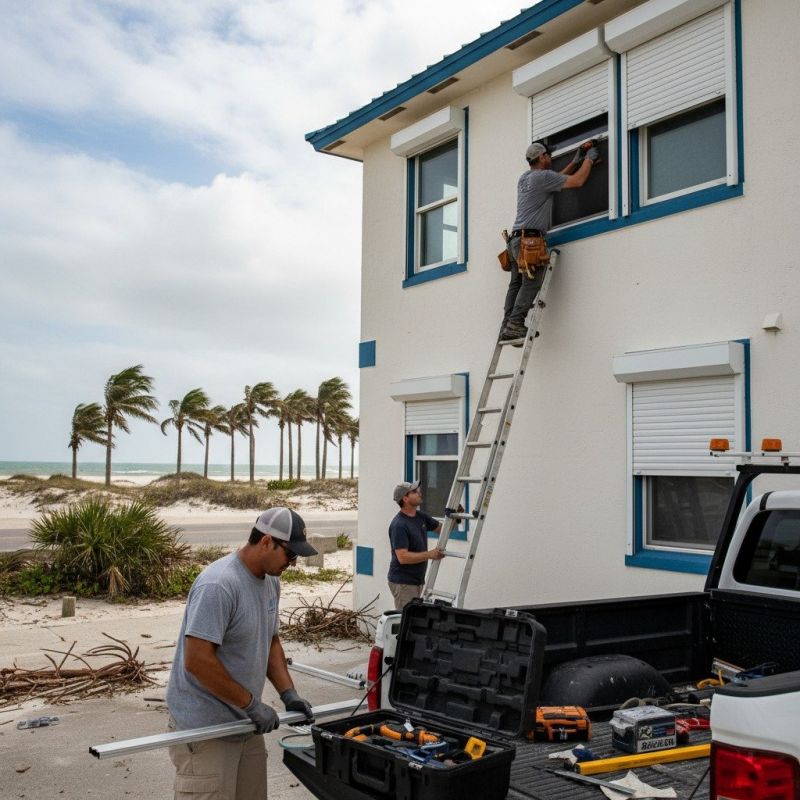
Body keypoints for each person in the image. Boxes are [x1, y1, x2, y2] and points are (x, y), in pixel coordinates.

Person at [165, 507, 318, 800]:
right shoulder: (219, 584)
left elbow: (270, 640)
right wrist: (251, 704)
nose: (294, 563)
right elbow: (197, 660)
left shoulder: (271, 580)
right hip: (206, 729)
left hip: (244, 724)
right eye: (290, 555)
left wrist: (289, 694)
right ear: (266, 542)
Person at [500, 139, 599, 343]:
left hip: (515, 241)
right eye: (549, 155)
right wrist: (589, 160)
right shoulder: (543, 177)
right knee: (533, 281)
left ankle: (507, 325)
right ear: (542, 157)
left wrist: (575, 160)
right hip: (529, 242)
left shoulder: (526, 178)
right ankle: (515, 323)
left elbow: (556, 180)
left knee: (516, 284)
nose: (551, 158)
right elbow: (577, 181)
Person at [387, 480, 445, 608]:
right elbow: (402, 557)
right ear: (405, 498)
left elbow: (442, 529)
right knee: (406, 621)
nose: (419, 493)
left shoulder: (420, 517)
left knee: (414, 620)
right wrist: (430, 554)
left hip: (416, 581)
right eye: (414, 492)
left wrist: (456, 518)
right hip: (403, 583)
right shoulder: (399, 525)